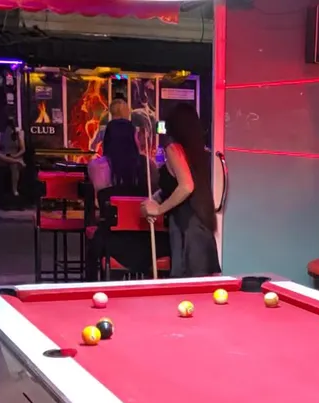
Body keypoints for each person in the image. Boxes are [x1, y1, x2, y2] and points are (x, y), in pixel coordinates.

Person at [143, 104, 219, 277]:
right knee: (200, 286)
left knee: (185, 283)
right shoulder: (198, 152)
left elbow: (186, 186)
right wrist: (155, 200)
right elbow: (175, 186)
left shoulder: (173, 148)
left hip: (186, 228)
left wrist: (159, 210)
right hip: (201, 226)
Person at [85, 119, 157, 280]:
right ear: (133, 139)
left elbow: (99, 201)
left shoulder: (96, 166)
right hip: (147, 240)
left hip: (111, 240)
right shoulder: (148, 166)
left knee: (93, 242)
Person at [0, 122, 26, 197]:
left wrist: (15, 156)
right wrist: (4, 154)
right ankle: (18, 161)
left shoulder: (19, 134)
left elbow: (23, 149)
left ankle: (14, 190)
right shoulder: (0, 134)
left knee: (14, 165)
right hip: (4, 156)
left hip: (15, 155)